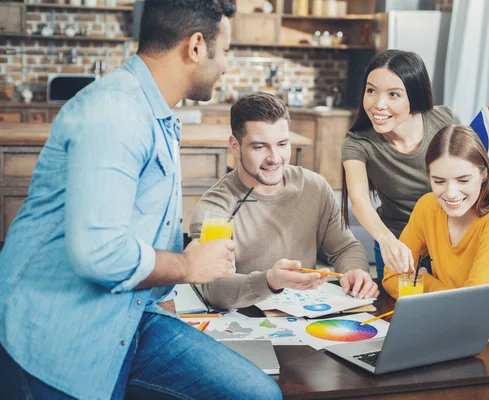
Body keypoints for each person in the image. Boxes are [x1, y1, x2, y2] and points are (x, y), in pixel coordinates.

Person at [0, 1, 282, 399]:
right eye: (227, 51)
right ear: (197, 46)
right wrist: (186, 265)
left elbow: (144, 229)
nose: (225, 65)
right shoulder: (115, 112)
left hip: (132, 315)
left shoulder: (156, 113)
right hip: (57, 332)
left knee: (258, 394)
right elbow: (97, 253)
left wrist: (167, 302)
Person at [382, 125, 489, 400]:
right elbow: (391, 277)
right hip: (448, 350)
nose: (451, 193)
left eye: (463, 179)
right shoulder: (427, 207)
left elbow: (470, 313)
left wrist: (423, 280)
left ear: (483, 174)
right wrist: (443, 295)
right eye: (439, 181)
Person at [189, 92, 379, 310]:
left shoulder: (314, 187)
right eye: (259, 147)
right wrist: (270, 281)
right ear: (235, 145)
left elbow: (345, 247)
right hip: (242, 321)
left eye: (282, 144)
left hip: (306, 315)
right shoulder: (215, 207)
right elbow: (214, 290)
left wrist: (356, 270)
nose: (274, 158)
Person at [341, 50, 461, 279]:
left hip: (450, 242)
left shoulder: (445, 121)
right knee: (399, 311)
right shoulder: (358, 143)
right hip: (398, 243)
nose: (378, 104)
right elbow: (359, 199)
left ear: (413, 97)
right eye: (371, 91)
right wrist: (386, 240)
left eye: (393, 95)